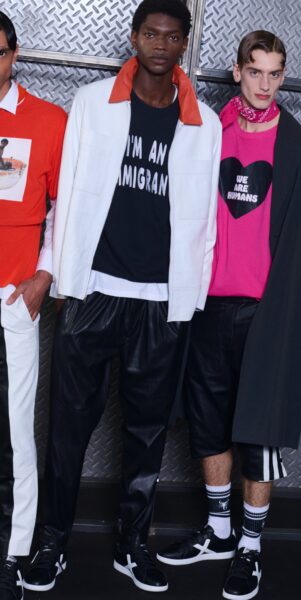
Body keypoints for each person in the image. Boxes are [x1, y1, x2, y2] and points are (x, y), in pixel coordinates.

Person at [23, 0, 221, 594]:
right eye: (151, 34)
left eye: (172, 36)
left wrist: (191, 298)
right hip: (95, 290)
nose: (160, 45)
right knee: (68, 427)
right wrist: (64, 278)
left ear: (184, 44)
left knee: (147, 430)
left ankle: (132, 544)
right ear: (135, 37)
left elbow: (207, 221)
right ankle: (52, 542)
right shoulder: (92, 103)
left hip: (161, 300)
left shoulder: (205, 123)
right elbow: (65, 196)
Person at [157, 30, 301, 600]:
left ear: (283, 76)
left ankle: (251, 547)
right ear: (237, 72)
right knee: (207, 422)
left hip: (269, 314)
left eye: (274, 73)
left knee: (259, 432)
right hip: (207, 306)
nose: (264, 84)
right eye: (255, 71)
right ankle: (218, 531)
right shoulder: (209, 133)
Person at [0, 10, 67, 600]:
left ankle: (12, 552)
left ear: (14, 54)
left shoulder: (47, 121)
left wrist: (45, 275)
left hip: (12, 297)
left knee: (14, 433)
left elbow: (67, 208)